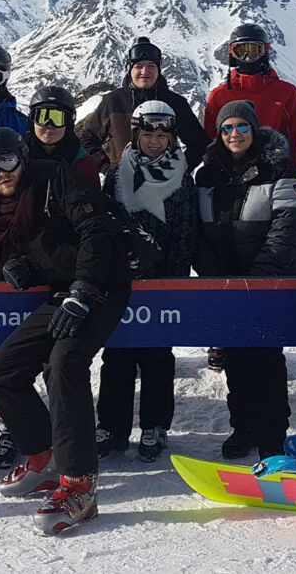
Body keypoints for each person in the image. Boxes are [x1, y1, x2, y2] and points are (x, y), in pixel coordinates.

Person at [0, 127, 132, 535]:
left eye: (6, 160)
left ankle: (80, 485)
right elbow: (53, 244)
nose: (1, 173)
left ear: (22, 156)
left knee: (64, 364)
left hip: (101, 286)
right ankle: (43, 458)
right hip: (62, 292)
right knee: (0, 372)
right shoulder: (2, 208)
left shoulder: (56, 178)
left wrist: (83, 289)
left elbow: (94, 230)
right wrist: (28, 268)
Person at [194, 100, 296, 461]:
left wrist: (259, 278)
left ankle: (272, 435)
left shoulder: (280, 169)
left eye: (242, 126)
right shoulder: (206, 174)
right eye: (227, 128)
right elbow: (197, 232)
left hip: (270, 281)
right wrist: (216, 275)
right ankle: (243, 427)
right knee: (235, 356)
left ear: (254, 129)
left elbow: (289, 228)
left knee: (266, 357)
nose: (235, 134)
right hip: (226, 283)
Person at [94, 101, 197, 463]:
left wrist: (174, 278)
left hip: (164, 280)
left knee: (157, 357)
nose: (155, 142)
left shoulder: (182, 175)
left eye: (162, 135)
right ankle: (111, 426)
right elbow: (106, 224)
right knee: (117, 354)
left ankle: (155, 425)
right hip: (123, 277)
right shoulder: (117, 173)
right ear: (136, 135)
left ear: (171, 138)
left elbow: (186, 230)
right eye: (148, 134)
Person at [80, 36, 209, 169]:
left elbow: (200, 144)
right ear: (130, 70)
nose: (145, 71)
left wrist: (178, 170)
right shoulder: (113, 101)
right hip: (122, 180)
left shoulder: (176, 103)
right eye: (139, 66)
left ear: (159, 70)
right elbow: (86, 140)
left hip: (165, 181)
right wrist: (108, 169)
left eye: (151, 66)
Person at [204, 23, 296, 168]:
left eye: (253, 50)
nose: (247, 58)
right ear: (232, 54)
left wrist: (291, 170)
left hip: (274, 170)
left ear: (264, 51)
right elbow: (211, 139)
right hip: (230, 171)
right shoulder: (220, 95)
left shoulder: (286, 92)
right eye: (241, 51)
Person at [24, 86, 100, 184]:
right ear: (32, 120)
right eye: (41, 117)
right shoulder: (17, 159)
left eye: (58, 118)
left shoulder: (84, 164)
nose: (49, 125)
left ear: (69, 124)